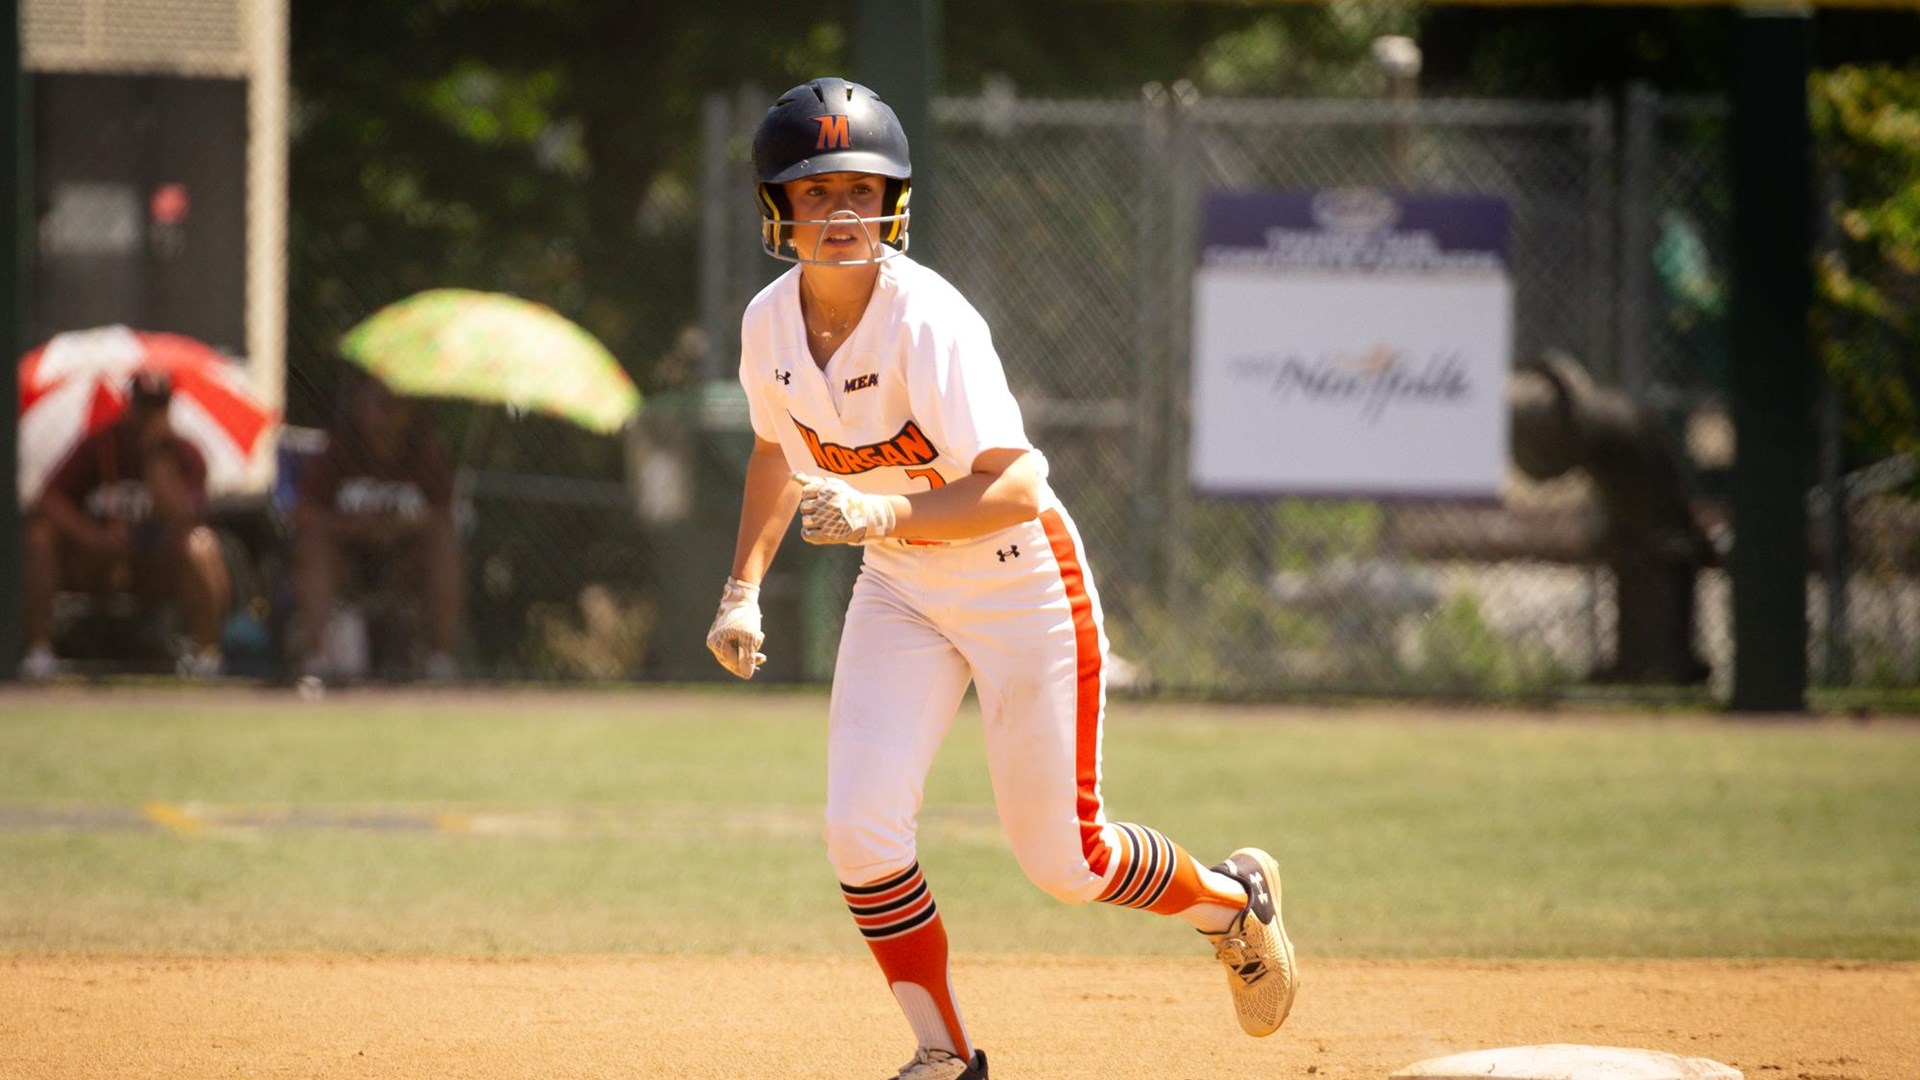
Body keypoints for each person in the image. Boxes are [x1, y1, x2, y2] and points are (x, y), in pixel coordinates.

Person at [706, 78, 1297, 1080]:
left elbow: (1019, 486)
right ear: (778, 208)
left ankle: (1234, 902)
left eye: (861, 189)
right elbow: (774, 449)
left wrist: (885, 513)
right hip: (901, 587)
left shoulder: (927, 320)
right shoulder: (769, 324)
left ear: (894, 200)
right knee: (859, 833)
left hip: (1021, 583)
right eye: (816, 191)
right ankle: (945, 1056)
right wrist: (742, 590)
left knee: (1067, 863)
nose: (842, 212)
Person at [21, 370, 230, 678]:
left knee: (201, 545)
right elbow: (49, 499)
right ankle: (39, 653)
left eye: (157, 406)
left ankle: (208, 656)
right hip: (96, 560)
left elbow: (184, 516)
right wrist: (93, 535)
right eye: (143, 405)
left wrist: (155, 456)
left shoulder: (185, 454)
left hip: (156, 562)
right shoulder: (101, 446)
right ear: (130, 404)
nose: (149, 415)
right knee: (39, 537)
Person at [292, 373, 463, 682]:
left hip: (404, 560)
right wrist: (356, 526)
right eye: (382, 404)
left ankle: (440, 660)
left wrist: (399, 526)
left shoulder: (426, 453)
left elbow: (445, 519)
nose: (390, 414)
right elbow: (306, 515)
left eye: (399, 404)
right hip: (348, 560)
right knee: (314, 547)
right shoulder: (337, 451)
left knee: (444, 548)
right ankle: (315, 659)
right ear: (359, 405)